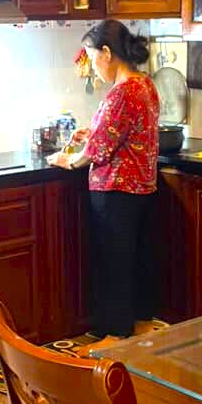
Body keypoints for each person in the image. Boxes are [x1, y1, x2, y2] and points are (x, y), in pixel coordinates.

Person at [48, 20, 159, 350]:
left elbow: (98, 151)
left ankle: (115, 335)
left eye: (92, 56)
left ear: (107, 53)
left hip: (115, 189)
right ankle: (141, 324)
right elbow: (122, 133)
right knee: (137, 258)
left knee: (114, 261)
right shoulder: (145, 84)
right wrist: (92, 132)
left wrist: (68, 160)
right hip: (141, 187)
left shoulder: (122, 92)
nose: (94, 66)